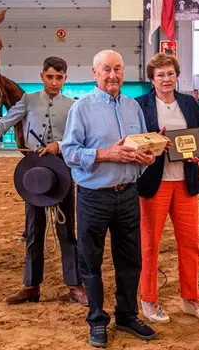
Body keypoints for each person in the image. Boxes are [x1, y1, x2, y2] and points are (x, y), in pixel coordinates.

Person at [61, 49, 158, 348]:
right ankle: (97, 319)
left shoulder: (133, 107)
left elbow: (142, 144)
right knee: (91, 262)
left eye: (117, 69)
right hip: (93, 197)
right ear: (94, 73)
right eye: (106, 69)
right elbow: (69, 152)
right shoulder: (82, 109)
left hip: (128, 195)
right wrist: (105, 154)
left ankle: (127, 315)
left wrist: (148, 157)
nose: (112, 75)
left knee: (130, 261)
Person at [0, 56, 88, 307]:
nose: (54, 82)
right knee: (34, 229)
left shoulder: (73, 106)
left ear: (65, 79)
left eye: (59, 78)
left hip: (61, 170)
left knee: (66, 230)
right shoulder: (27, 100)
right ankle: (31, 285)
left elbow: (79, 136)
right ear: (42, 76)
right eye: (49, 77)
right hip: (33, 171)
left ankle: (74, 284)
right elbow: (5, 122)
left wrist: (59, 145)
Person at [135, 54, 199, 323]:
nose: (166, 79)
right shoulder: (140, 105)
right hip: (154, 183)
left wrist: (198, 151)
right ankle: (148, 300)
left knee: (191, 244)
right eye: (160, 75)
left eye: (170, 74)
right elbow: (135, 141)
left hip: (185, 182)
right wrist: (155, 141)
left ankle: (191, 299)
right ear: (152, 79)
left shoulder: (189, 102)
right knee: (149, 245)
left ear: (176, 75)